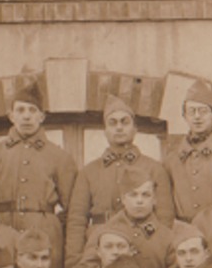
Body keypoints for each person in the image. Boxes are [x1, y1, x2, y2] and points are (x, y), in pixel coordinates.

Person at [0, 75, 78, 268]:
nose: (27, 116)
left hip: (44, 233)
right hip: (2, 230)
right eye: (20, 110)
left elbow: (73, 210)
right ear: (11, 116)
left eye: (33, 110)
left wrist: (51, 227)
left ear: (42, 117)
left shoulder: (59, 156)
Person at [65, 93, 173, 259]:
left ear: (135, 129)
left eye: (125, 122)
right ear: (105, 131)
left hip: (143, 245)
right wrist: (74, 263)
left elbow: (165, 219)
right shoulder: (89, 172)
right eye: (112, 123)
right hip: (100, 247)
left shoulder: (154, 169)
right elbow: (76, 222)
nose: (119, 127)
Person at [68, 164, 181, 268]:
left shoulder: (167, 237)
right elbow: (86, 266)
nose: (139, 201)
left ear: (154, 200)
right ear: (123, 199)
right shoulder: (104, 231)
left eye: (146, 195)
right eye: (133, 195)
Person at [165, 78, 212, 224]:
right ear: (184, 116)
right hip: (184, 233)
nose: (197, 117)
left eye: (203, 111)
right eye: (191, 111)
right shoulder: (173, 157)